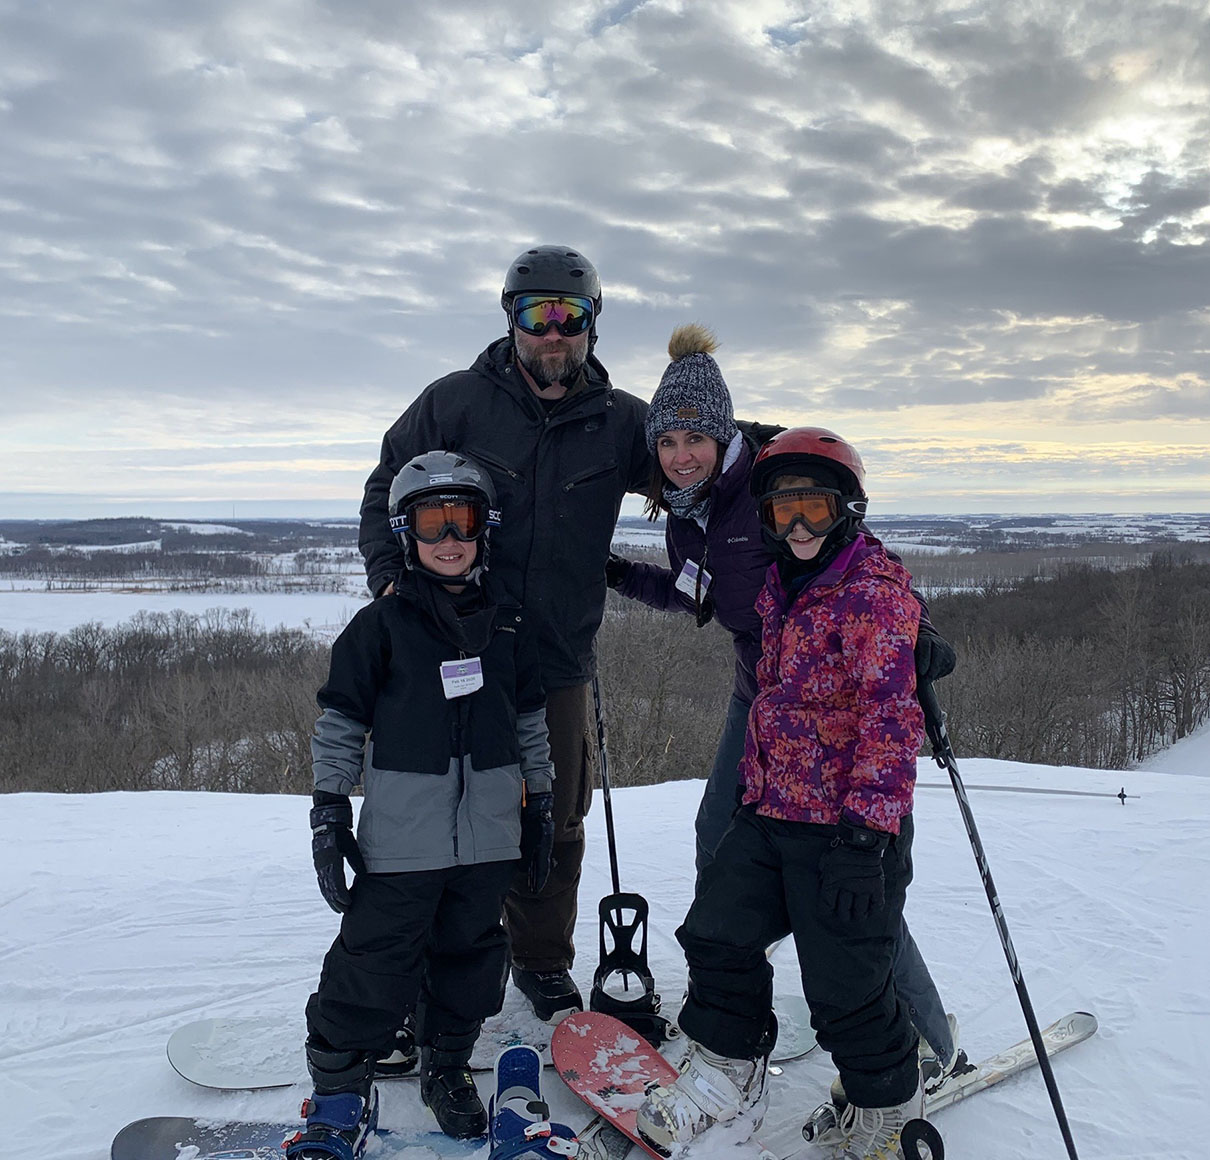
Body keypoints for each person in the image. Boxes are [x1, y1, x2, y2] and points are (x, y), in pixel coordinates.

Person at [609, 326, 962, 1085]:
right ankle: (736, 1013)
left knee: (843, 876)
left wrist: (919, 627)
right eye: (667, 440)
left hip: (824, 697)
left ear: (725, 432)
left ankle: (925, 1035)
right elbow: (699, 593)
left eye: (697, 436)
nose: (681, 454)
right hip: (760, 688)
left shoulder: (764, 487)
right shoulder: (685, 506)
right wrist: (618, 575)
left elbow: (858, 550)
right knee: (722, 838)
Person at [357, 246, 650, 1023]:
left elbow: (696, 464)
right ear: (511, 320)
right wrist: (391, 581)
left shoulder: (620, 421)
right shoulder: (456, 402)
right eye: (537, 315)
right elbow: (387, 484)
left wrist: (769, 456)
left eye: (570, 317)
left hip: (555, 655)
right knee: (453, 813)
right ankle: (445, 967)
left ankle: (542, 962)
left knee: (556, 816)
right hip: (458, 648)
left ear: (592, 323)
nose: (553, 334)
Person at [635, 427, 932, 1160]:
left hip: (844, 832)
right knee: (716, 934)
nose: (797, 527)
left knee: (845, 986)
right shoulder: (779, 590)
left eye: (814, 509)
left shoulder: (870, 595)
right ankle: (728, 1073)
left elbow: (892, 720)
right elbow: (771, 701)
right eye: (781, 512)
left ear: (848, 511)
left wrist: (868, 836)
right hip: (769, 810)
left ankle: (886, 1106)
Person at [287, 451, 557, 1159]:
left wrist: (542, 804)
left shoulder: (507, 628)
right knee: (372, 965)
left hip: (489, 836)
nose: (448, 536)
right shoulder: (379, 628)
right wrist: (328, 811)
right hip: (403, 839)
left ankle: (445, 1064)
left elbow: (530, 723)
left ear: (482, 528)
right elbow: (340, 723)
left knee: (470, 959)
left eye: (461, 518)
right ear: (406, 532)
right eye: (431, 520)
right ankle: (340, 1093)